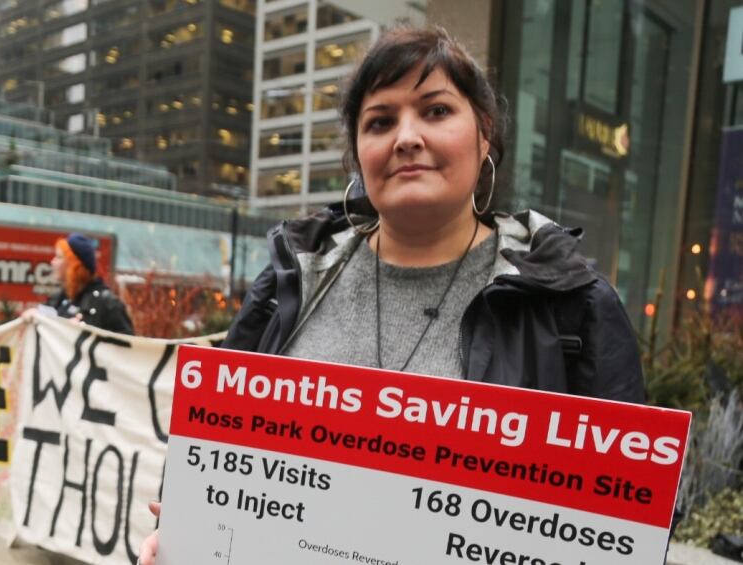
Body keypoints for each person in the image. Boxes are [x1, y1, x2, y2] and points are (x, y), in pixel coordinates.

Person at [137, 26, 643, 564]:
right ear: (359, 152)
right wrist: (179, 539)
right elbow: (213, 465)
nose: (406, 137)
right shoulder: (292, 280)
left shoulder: (571, 304)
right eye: (380, 121)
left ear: (485, 133)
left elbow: (623, 520)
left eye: (436, 111)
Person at [44, 232, 134, 335]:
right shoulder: (58, 299)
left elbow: (126, 344)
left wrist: (84, 332)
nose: (53, 262)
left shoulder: (107, 304)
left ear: (74, 265)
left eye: (59, 257)